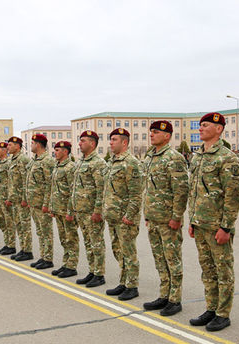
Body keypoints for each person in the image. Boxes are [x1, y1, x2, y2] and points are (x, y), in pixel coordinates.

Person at [187, 113, 239, 331]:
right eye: (200, 125)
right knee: (207, 270)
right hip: (200, 224)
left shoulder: (227, 158)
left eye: (206, 125)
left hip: (217, 226)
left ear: (219, 129)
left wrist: (226, 227)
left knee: (223, 271)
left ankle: (223, 313)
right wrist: (191, 220)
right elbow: (194, 191)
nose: (200, 129)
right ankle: (211, 308)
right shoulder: (198, 156)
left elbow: (233, 195)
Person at [142, 121, 189, 316]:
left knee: (172, 260)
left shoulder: (174, 158)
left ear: (167, 135)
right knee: (159, 259)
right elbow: (149, 189)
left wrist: (176, 217)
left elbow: (181, 190)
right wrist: (147, 215)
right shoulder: (150, 157)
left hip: (169, 220)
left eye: (156, 132)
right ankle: (164, 295)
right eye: (151, 131)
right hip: (154, 218)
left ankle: (175, 299)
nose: (151, 134)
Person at [103, 128, 143, 301]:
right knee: (118, 250)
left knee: (129, 252)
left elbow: (136, 194)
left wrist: (129, 215)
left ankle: (132, 286)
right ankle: (123, 282)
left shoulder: (131, 163)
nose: (111, 142)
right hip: (113, 216)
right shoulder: (113, 162)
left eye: (114, 140)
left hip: (125, 217)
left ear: (124, 142)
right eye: (110, 139)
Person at [68, 130, 107, 287]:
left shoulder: (98, 163)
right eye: (80, 140)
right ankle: (92, 271)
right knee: (88, 243)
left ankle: (99, 274)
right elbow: (75, 188)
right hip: (81, 211)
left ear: (92, 143)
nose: (79, 143)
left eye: (83, 140)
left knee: (97, 243)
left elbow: (101, 189)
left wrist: (97, 211)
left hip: (92, 212)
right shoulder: (80, 162)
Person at [24, 134, 56, 269]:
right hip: (34, 202)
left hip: (42, 203)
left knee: (46, 231)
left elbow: (50, 184)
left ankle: (48, 259)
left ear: (38, 144)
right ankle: (43, 256)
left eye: (32, 143)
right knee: (40, 231)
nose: (30, 146)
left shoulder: (47, 161)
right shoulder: (34, 161)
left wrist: (46, 204)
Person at [49, 141, 79, 278]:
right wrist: (52, 207)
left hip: (67, 211)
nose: (55, 152)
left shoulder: (70, 167)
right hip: (58, 209)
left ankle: (72, 266)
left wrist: (70, 211)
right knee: (63, 239)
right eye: (55, 150)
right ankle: (66, 263)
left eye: (58, 150)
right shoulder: (57, 166)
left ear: (65, 152)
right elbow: (54, 189)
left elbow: (73, 191)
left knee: (71, 238)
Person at [6, 137, 34, 261]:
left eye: (10, 145)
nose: (8, 147)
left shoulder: (23, 159)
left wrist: (25, 199)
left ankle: (28, 251)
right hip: (15, 199)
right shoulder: (12, 160)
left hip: (21, 200)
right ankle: (23, 249)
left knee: (25, 225)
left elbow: (25, 181)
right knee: (19, 225)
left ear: (18, 146)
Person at [0, 142, 16, 255]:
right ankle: (7, 244)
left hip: (5, 197)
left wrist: (9, 197)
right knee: (3, 222)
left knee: (9, 222)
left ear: (4, 151)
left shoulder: (8, 163)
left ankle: (11, 245)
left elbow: (11, 182)